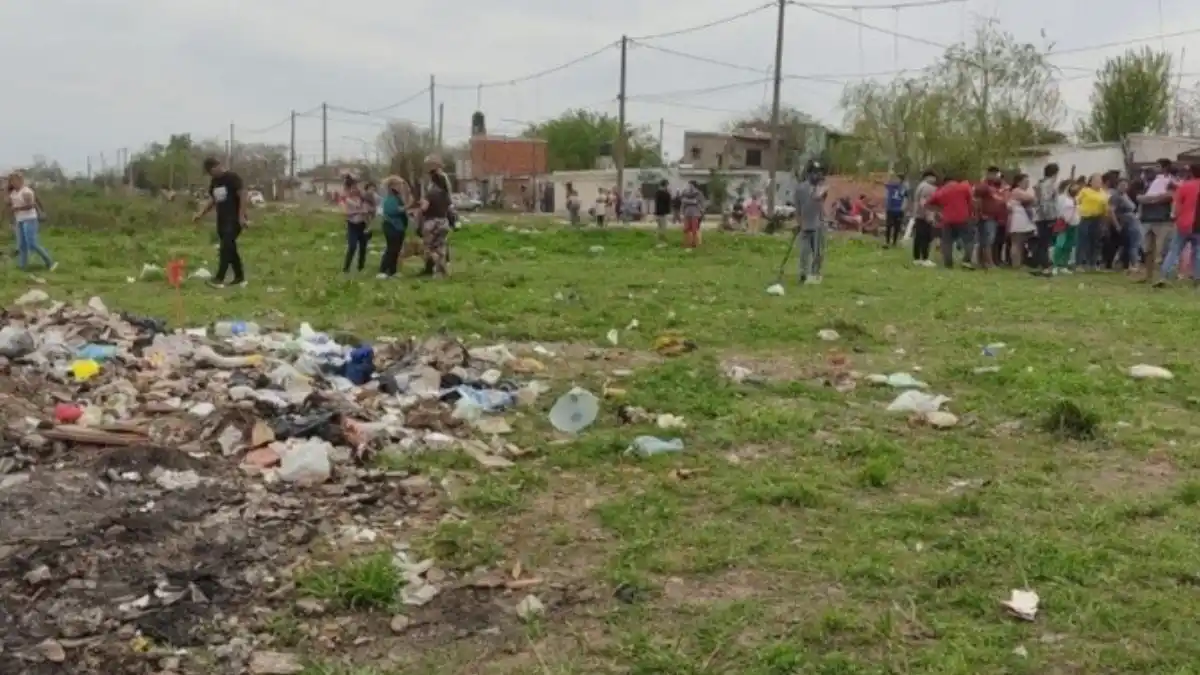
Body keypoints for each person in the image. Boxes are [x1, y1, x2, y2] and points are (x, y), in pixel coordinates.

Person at [192, 157, 246, 288]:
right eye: (209, 173)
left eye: (212, 171)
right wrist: (200, 213)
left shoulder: (232, 178)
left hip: (234, 219)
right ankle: (239, 277)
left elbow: (243, 195)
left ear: (217, 166)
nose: (211, 175)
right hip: (222, 219)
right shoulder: (215, 182)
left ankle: (219, 278)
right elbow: (213, 200)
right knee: (230, 248)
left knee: (225, 247)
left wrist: (241, 216)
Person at [1155, 163, 1200, 287]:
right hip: (1199, 225)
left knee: (1174, 250)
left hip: (1184, 224)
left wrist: (1175, 216)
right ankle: (1197, 278)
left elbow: (1176, 206)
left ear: (1191, 173)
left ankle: (1164, 276)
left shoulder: (1185, 186)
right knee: (1197, 252)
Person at [1138, 158, 1178, 284]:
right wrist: (1154, 198)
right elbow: (1139, 197)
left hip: (1163, 220)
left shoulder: (1171, 181)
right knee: (1148, 249)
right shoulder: (1149, 182)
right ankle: (1148, 275)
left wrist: (1150, 199)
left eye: (1158, 166)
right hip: (1147, 219)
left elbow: (1169, 196)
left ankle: (1163, 277)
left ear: (1165, 168)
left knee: (1162, 249)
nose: (1155, 169)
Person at [6, 172, 56, 271]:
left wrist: (17, 208)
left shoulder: (26, 191)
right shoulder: (13, 193)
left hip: (29, 219)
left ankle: (50, 262)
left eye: (15, 180)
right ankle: (22, 266)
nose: (13, 183)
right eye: (11, 181)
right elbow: (8, 203)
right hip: (19, 220)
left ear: (20, 180)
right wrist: (6, 191)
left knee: (32, 243)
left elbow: (31, 205)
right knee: (22, 245)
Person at [927, 173, 973, 269]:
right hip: (963, 218)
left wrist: (938, 211)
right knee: (968, 241)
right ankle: (966, 261)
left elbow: (928, 203)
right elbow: (971, 201)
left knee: (947, 242)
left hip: (947, 220)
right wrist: (970, 213)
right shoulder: (964, 187)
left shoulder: (941, 191)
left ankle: (948, 263)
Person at [794, 162, 828, 284]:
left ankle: (813, 274)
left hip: (817, 222)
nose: (819, 175)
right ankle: (805, 274)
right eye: (816, 173)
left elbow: (820, 202)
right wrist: (799, 222)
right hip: (808, 223)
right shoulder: (803, 188)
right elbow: (801, 204)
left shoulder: (819, 187)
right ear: (809, 174)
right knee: (806, 251)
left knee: (818, 252)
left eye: (820, 173)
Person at [419, 154, 453, 277]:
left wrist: (420, 208)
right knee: (441, 248)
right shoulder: (445, 194)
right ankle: (441, 271)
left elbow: (424, 208)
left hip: (431, 222)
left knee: (429, 248)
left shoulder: (431, 192)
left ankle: (434, 267)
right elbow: (449, 206)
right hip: (443, 222)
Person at [377, 176, 410, 279]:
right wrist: (408, 206)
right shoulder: (389, 198)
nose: (401, 187)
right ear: (392, 186)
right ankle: (383, 270)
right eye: (399, 185)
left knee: (396, 249)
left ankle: (392, 271)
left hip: (399, 227)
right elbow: (393, 210)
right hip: (391, 226)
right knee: (391, 248)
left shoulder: (397, 197)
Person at [972, 167, 1006, 269]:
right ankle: (989, 263)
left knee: (986, 240)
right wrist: (980, 213)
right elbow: (976, 198)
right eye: (995, 175)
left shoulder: (992, 187)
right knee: (988, 241)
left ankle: (982, 262)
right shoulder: (984, 186)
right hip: (987, 217)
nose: (997, 177)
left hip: (993, 217)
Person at [1075, 173, 1109, 272]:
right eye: (1096, 180)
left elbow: (1106, 207)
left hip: (1098, 218)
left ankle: (1092, 263)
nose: (1098, 182)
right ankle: (1079, 264)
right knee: (1083, 241)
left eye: (1100, 181)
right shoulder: (1085, 191)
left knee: (1095, 241)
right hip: (1085, 218)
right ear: (1091, 182)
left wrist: (1105, 219)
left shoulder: (1103, 193)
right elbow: (1077, 202)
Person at [1032, 163, 1060, 275]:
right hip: (1046, 217)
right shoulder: (1049, 185)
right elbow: (1046, 201)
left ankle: (1042, 264)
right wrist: (1049, 217)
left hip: (1040, 216)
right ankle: (1045, 265)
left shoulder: (1040, 183)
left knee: (1043, 241)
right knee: (1045, 242)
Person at [341, 175, 371, 274]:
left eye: (356, 187)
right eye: (353, 188)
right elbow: (345, 213)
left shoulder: (362, 199)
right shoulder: (347, 200)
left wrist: (367, 213)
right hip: (352, 225)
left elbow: (368, 209)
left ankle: (360, 267)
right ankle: (346, 268)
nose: (355, 189)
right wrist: (358, 212)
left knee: (363, 247)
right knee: (352, 246)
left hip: (362, 225)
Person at [1007, 173, 1036, 268]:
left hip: (1023, 220)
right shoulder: (1016, 191)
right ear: (1019, 183)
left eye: (1028, 182)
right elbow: (1031, 198)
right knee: (1016, 243)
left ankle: (1020, 262)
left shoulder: (1022, 191)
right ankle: (1015, 264)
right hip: (1017, 220)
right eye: (1025, 182)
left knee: (1021, 243)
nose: (1027, 184)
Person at [910, 170, 938, 267]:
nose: (935, 179)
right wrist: (929, 216)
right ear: (928, 177)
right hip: (925, 216)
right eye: (933, 177)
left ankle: (917, 258)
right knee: (925, 237)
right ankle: (925, 258)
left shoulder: (920, 186)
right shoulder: (927, 187)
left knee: (918, 237)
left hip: (918, 215)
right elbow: (925, 202)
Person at [1052, 180, 1080, 275]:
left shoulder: (1076, 199)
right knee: (1060, 244)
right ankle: (1055, 265)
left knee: (1068, 245)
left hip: (1074, 224)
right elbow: (1059, 210)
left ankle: (1064, 265)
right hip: (1064, 223)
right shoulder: (1062, 198)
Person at [883, 173, 908, 248]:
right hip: (890, 209)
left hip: (898, 210)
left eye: (897, 179)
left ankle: (894, 242)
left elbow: (906, 198)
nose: (895, 180)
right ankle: (887, 241)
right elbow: (884, 182)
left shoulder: (903, 188)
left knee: (897, 227)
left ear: (901, 180)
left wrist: (903, 208)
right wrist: (889, 175)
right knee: (888, 225)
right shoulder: (891, 186)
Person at [679, 180, 705, 249]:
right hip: (687, 213)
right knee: (686, 229)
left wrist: (687, 201)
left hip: (695, 213)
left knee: (695, 229)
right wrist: (681, 212)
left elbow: (695, 201)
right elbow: (683, 202)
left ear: (693, 186)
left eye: (689, 185)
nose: (688, 186)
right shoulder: (685, 193)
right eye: (688, 185)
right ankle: (688, 244)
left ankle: (696, 244)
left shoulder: (699, 193)